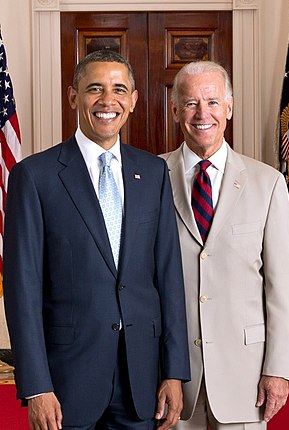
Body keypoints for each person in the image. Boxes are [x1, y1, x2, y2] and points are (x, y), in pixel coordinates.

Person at [3, 50, 190, 430]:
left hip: (142, 382)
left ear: (134, 100)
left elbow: (169, 279)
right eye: (95, 89)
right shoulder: (34, 177)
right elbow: (23, 291)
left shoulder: (153, 173)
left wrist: (174, 371)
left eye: (119, 89)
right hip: (65, 385)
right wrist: (36, 386)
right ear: (74, 97)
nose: (108, 101)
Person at [160, 60, 289, 430]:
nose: (202, 113)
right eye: (190, 103)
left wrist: (279, 369)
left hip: (247, 375)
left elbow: (282, 286)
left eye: (213, 102)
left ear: (230, 107)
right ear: (175, 110)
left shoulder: (267, 184)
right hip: (170, 376)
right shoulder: (150, 180)